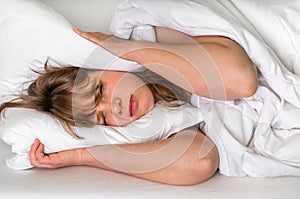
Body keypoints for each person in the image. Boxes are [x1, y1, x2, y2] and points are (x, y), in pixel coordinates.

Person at [1, 27, 258, 185]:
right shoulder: (163, 122)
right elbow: (200, 162)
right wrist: (79, 155)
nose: (117, 108)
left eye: (100, 90)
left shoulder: (149, 36)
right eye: (102, 119)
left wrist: (127, 49)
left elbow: (242, 81)